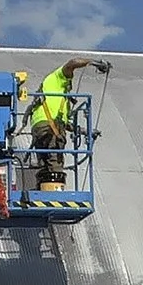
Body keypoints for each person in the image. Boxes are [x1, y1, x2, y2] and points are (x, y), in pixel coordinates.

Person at [28, 56, 110, 188]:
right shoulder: (58, 78)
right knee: (55, 163)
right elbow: (72, 63)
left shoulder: (51, 97)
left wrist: (87, 131)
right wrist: (93, 62)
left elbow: (66, 124)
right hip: (50, 128)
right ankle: (54, 194)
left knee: (46, 164)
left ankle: (44, 190)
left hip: (40, 127)